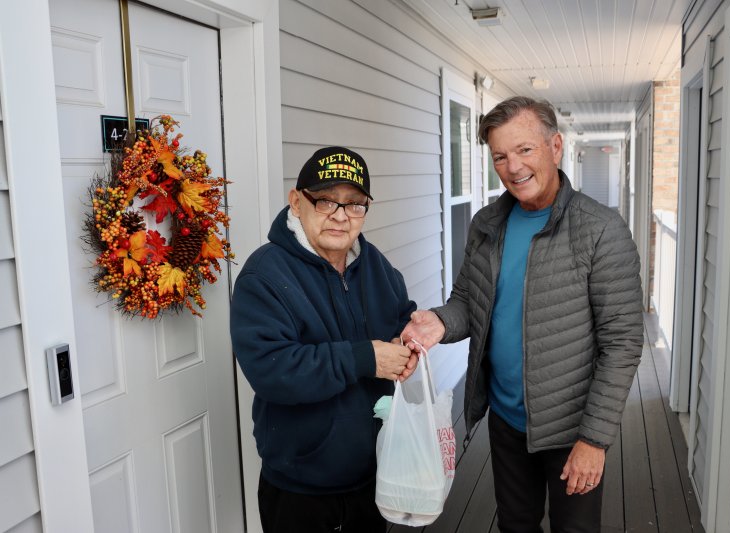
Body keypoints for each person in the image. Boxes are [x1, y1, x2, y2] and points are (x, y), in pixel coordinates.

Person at [402, 96, 644, 533]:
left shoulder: (602, 230)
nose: (513, 167)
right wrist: (440, 321)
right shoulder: (487, 224)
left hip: (572, 427)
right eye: (500, 156)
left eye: (525, 150)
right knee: (515, 524)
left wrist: (594, 439)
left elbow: (622, 342)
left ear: (555, 147)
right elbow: (467, 300)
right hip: (507, 421)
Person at [231, 146, 418, 533]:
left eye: (354, 204)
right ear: (296, 203)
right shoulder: (263, 276)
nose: (339, 215)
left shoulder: (375, 265)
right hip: (302, 487)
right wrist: (365, 359)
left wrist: (408, 344)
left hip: (372, 474)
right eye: (325, 200)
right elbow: (274, 370)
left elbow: (401, 317)